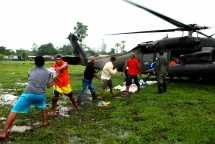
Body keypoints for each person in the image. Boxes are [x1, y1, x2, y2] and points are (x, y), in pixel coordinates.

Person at [0, 56, 58, 139]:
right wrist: (55, 81)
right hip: (40, 95)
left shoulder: (30, 70)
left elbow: (31, 80)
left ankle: (4, 132)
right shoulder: (48, 72)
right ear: (44, 63)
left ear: (34, 63)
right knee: (43, 105)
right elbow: (48, 86)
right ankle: (45, 121)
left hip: (28, 93)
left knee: (14, 110)